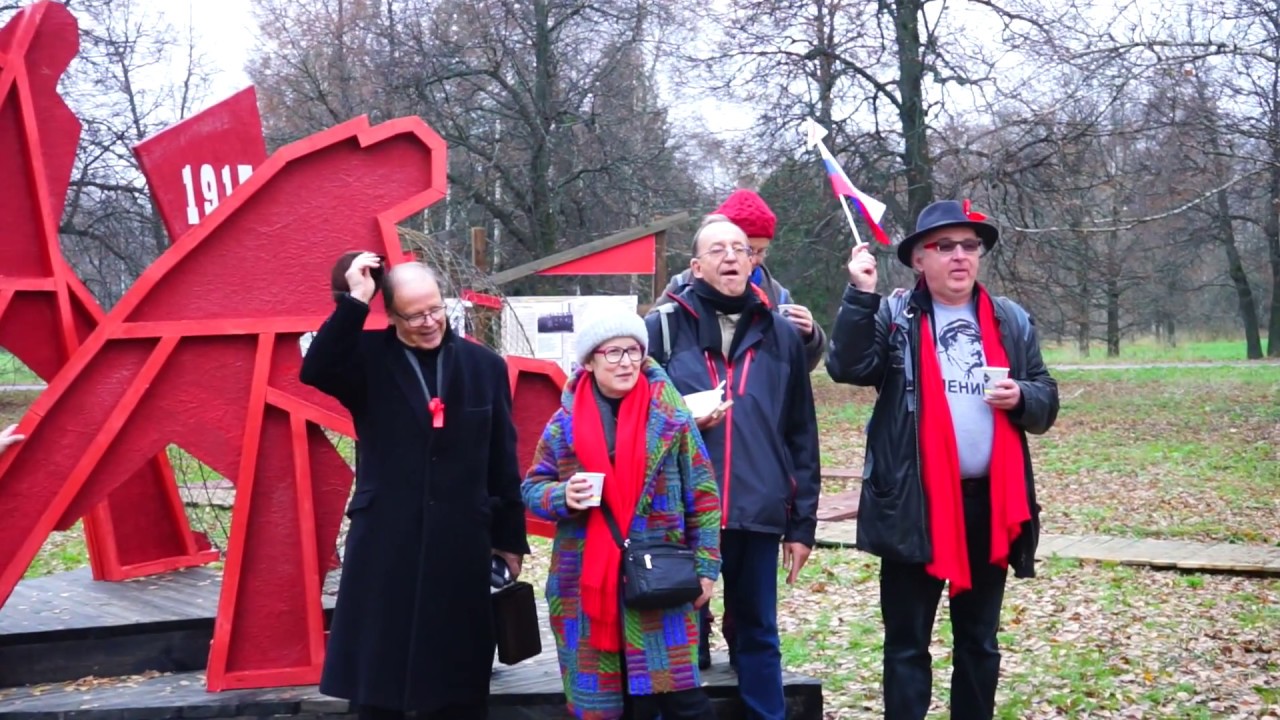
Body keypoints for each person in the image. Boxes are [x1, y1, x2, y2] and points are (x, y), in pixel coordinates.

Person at [825, 200, 1059, 720]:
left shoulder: (1010, 320)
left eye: (969, 246)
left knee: (980, 643)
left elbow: (1046, 397)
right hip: (915, 504)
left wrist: (1022, 396)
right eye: (944, 246)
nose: (960, 257)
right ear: (918, 260)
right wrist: (860, 295)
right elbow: (847, 366)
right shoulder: (894, 316)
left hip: (987, 505)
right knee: (907, 646)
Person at [300, 252, 531, 720]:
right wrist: (354, 302)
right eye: (414, 315)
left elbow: (502, 457)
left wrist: (509, 539)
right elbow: (315, 369)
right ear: (392, 314)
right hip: (387, 540)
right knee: (379, 677)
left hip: (462, 539)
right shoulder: (367, 360)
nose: (429, 323)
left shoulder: (483, 366)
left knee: (459, 681)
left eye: (435, 310)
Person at [645, 215, 821, 720]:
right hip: (680, 514)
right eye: (717, 249)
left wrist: (801, 524)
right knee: (678, 639)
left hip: (756, 509)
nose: (730, 257)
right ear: (696, 267)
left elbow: (801, 435)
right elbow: (632, 419)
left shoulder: (780, 335)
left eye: (740, 249)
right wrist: (685, 420)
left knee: (758, 634)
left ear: (753, 262)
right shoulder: (663, 328)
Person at [521, 311, 721, 720]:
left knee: (682, 701)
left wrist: (706, 569)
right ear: (590, 362)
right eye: (613, 352)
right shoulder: (564, 426)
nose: (626, 362)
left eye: (634, 351)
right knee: (608, 707)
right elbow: (530, 489)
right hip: (586, 584)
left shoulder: (672, 419)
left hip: (662, 577)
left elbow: (703, 494)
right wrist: (563, 495)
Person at [655, 189, 826, 372]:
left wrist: (810, 337)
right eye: (749, 249)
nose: (755, 259)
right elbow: (649, 347)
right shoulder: (682, 285)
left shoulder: (776, 294)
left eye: (762, 251)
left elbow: (797, 366)